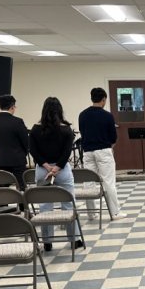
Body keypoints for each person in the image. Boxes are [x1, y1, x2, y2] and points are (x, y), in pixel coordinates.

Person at [29, 97, 80, 252]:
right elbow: (67, 152)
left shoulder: (35, 129)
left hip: (42, 171)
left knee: (45, 206)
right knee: (69, 204)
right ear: (60, 110)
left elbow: (33, 151)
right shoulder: (66, 129)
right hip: (62, 170)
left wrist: (46, 166)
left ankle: (47, 242)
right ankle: (74, 240)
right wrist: (56, 168)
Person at [78, 88, 126, 220]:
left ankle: (91, 213)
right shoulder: (107, 116)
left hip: (87, 152)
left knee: (88, 182)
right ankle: (114, 213)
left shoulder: (82, 115)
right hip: (104, 151)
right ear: (104, 99)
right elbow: (113, 137)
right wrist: (110, 147)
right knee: (108, 182)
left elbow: (82, 133)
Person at [0, 94, 29, 190]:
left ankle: (4, 200)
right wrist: (23, 153)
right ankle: (22, 200)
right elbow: (25, 141)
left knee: (3, 189)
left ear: (0, 106)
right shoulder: (18, 121)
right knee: (21, 187)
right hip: (18, 159)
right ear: (12, 107)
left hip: (1, 159)